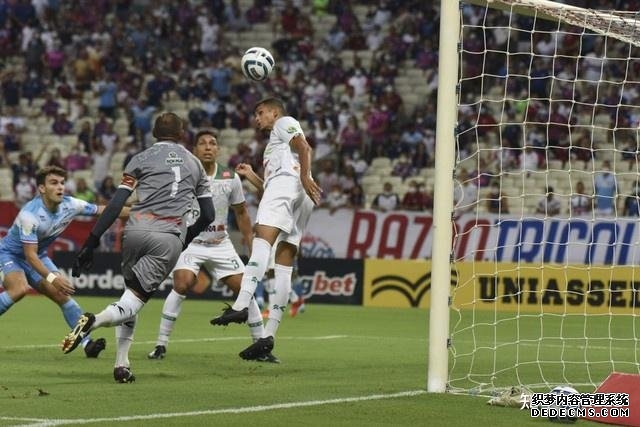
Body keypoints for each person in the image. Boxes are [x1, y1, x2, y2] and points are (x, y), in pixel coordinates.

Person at [60, 113, 215, 383]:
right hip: (167, 236)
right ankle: (94, 321)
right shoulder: (195, 164)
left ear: (154, 134)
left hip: (134, 232)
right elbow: (208, 215)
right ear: (181, 134)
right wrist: (185, 238)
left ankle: (121, 364)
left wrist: (91, 242)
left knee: (129, 297)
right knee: (132, 302)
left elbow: (116, 204)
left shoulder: (139, 158)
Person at [146, 129, 278, 363]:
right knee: (182, 283)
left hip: (220, 244)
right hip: (190, 243)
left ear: (218, 149)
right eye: (203, 143)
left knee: (245, 290)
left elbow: (241, 213)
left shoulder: (230, 177)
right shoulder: (183, 175)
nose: (208, 147)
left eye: (212, 143)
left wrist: (251, 246)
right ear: (194, 150)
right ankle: (160, 345)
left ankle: (260, 347)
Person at [210, 97, 320, 362]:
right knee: (284, 262)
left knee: (261, 239)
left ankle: (241, 305)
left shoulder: (284, 123)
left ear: (274, 112)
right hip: (298, 196)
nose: (257, 118)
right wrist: (252, 176)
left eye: (260, 112)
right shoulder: (276, 145)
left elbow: (305, 147)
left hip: (291, 186)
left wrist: (304, 176)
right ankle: (267, 337)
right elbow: (272, 186)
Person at [0, 165, 124, 358]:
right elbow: (30, 255)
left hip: (38, 257)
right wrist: (52, 278)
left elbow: (106, 210)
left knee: (63, 296)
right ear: (42, 188)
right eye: (54, 183)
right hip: (10, 255)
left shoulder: (71, 205)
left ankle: (87, 344)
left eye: (62, 183)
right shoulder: (29, 215)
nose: (60, 187)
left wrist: (142, 212)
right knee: (20, 289)